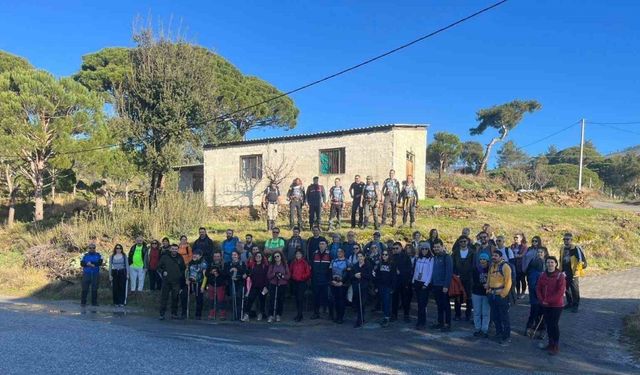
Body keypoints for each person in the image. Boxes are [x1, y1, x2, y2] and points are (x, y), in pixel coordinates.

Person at [537, 256, 566, 355]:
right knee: (548, 325)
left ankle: (556, 346)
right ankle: (550, 343)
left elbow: (560, 292)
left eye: (552, 262)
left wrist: (548, 301)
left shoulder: (560, 276)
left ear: (556, 264)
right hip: (545, 304)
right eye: (548, 262)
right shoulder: (543, 275)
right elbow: (538, 288)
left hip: (556, 305)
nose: (550, 264)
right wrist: (542, 300)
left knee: (554, 325)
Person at [487, 250, 513, 346]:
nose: (494, 257)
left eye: (496, 255)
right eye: (493, 255)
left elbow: (508, 282)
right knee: (495, 316)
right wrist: (488, 289)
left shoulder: (505, 267)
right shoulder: (492, 266)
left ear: (501, 257)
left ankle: (506, 337)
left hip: (501, 296)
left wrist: (503, 294)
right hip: (492, 295)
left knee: (504, 317)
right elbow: (489, 278)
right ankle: (499, 333)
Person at [558, 233, 586, 313]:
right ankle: (569, 303)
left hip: (573, 271)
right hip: (564, 270)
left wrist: (577, 271)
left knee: (574, 289)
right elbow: (560, 259)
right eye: (564, 239)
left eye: (567, 239)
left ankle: (575, 305)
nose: (565, 241)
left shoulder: (575, 248)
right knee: (566, 288)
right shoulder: (562, 248)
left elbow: (581, 260)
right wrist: (560, 270)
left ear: (571, 240)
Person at [158, 244, 186, 320]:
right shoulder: (165, 257)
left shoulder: (180, 257)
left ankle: (174, 313)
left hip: (176, 281)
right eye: (173, 249)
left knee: (175, 298)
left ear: (178, 249)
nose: (174, 250)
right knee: (164, 298)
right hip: (166, 281)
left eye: (176, 249)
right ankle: (162, 314)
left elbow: (183, 268)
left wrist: (180, 275)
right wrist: (163, 271)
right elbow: (159, 267)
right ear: (170, 249)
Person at [430, 242, 453, 332]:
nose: (436, 248)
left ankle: (447, 324)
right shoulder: (435, 257)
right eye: (435, 247)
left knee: (446, 305)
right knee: (439, 305)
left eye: (438, 247)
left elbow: (449, 272)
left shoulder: (447, 257)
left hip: (443, 286)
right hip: (436, 285)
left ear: (442, 247)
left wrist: (446, 285)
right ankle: (440, 322)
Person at [525, 247, 547, 338]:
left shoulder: (547, 262)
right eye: (538, 252)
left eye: (541, 252)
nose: (539, 253)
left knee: (542, 313)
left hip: (544, 293)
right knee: (534, 312)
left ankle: (541, 330)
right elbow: (531, 279)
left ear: (545, 253)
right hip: (535, 293)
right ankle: (530, 328)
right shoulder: (534, 263)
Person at [452, 236, 474, 321]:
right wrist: (454, 274)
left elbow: (474, 265)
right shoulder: (455, 252)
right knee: (457, 296)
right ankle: (457, 315)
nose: (463, 243)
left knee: (469, 297)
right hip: (458, 278)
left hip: (469, 278)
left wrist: (472, 276)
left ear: (468, 242)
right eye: (461, 241)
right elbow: (453, 264)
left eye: (464, 241)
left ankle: (468, 315)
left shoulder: (472, 252)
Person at [413, 244, 434, 330]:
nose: (424, 250)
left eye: (426, 249)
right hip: (417, 282)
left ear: (428, 249)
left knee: (422, 303)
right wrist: (413, 281)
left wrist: (426, 283)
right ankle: (419, 320)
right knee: (419, 303)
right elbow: (415, 270)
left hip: (425, 283)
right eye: (422, 249)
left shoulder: (431, 259)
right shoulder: (418, 258)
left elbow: (430, 272)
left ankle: (422, 322)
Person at [243, 252, 269, 322]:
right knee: (250, 300)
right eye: (256, 256)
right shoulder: (252, 266)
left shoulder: (265, 266)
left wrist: (266, 286)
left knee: (262, 301)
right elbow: (249, 274)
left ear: (262, 257)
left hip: (263, 287)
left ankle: (261, 314)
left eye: (259, 256)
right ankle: (246, 314)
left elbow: (267, 277)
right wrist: (246, 275)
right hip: (254, 286)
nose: (258, 257)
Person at [374, 249, 397, 327]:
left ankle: (386, 318)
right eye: (383, 254)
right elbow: (377, 276)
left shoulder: (392, 264)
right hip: (380, 286)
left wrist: (392, 288)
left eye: (386, 254)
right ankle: (386, 315)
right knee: (383, 302)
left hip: (388, 287)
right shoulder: (379, 264)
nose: (384, 256)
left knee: (387, 302)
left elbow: (394, 277)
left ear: (389, 255)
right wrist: (376, 286)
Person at [391, 242, 413, 323]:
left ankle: (406, 315)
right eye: (394, 248)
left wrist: (401, 272)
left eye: (397, 248)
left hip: (404, 282)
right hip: (394, 282)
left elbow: (410, 269)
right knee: (394, 299)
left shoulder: (406, 257)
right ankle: (394, 315)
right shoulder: (392, 257)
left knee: (405, 300)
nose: (395, 250)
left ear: (401, 248)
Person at [310, 240, 332, 320]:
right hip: (316, 279)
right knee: (316, 297)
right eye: (320, 243)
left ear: (326, 245)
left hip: (325, 280)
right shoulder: (314, 254)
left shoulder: (330, 254)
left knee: (326, 297)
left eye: (323, 244)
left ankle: (327, 313)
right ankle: (316, 313)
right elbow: (311, 266)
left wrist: (329, 278)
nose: (321, 245)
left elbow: (331, 268)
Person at [267, 250, 290, 323]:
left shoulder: (284, 264)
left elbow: (288, 276)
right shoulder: (272, 265)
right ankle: (271, 315)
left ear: (281, 256)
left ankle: (278, 315)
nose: (276, 258)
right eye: (275, 257)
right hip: (273, 284)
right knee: (272, 300)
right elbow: (268, 276)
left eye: (278, 256)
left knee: (280, 300)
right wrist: (274, 274)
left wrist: (282, 276)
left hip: (282, 284)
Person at [289, 249, 312, 322]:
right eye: (297, 254)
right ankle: (299, 314)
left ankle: (299, 315)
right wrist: (292, 277)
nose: (298, 255)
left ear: (302, 255)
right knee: (296, 299)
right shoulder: (293, 262)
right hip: (295, 282)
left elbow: (308, 273)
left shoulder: (305, 262)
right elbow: (290, 270)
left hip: (302, 282)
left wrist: (302, 277)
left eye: (299, 254)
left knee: (300, 299)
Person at [471, 253, 491, 338]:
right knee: (477, 312)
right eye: (481, 259)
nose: (482, 261)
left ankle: (484, 330)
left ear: (487, 260)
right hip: (476, 292)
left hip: (486, 293)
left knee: (486, 312)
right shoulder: (475, 269)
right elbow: (473, 281)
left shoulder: (490, 269)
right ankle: (477, 328)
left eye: (484, 259)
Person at [350, 252, 372, 328]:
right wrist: (355, 275)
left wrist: (362, 275)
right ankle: (361, 318)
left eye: (361, 256)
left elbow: (369, 276)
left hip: (364, 287)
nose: (360, 258)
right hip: (356, 286)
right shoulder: (355, 266)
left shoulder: (368, 265)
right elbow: (351, 276)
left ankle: (359, 320)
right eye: (358, 256)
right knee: (357, 304)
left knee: (362, 303)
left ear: (364, 257)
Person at [205, 252, 228, 320]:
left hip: (220, 285)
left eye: (218, 256)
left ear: (220, 257)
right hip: (212, 284)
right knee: (212, 300)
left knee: (221, 300)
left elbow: (226, 275)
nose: (216, 258)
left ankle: (222, 314)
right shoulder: (210, 264)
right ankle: (212, 313)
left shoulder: (224, 265)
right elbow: (206, 274)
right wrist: (211, 273)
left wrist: (218, 273)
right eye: (215, 256)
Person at [186, 249, 208, 320]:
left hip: (199, 283)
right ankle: (185, 313)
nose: (195, 255)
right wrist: (187, 279)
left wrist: (203, 286)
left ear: (200, 256)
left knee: (199, 299)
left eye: (197, 254)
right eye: (194, 254)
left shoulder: (203, 263)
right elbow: (187, 271)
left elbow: (205, 276)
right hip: (191, 282)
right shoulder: (191, 262)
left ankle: (198, 315)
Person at [80, 243, 103, 308]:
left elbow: (100, 262)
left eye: (93, 248)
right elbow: (81, 263)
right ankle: (83, 302)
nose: (92, 249)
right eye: (90, 248)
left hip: (95, 273)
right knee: (85, 288)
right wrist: (88, 264)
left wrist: (92, 263)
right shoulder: (84, 255)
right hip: (86, 273)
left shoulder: (99, 255)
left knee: (95, 288)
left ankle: (94, 302)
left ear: (95, 248)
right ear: (88, 248)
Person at [329, 248, 349, 324]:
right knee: (335, 301)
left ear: (344, 253)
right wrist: (332, 280)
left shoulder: (347, 261)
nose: (339, 253)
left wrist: (342, 282)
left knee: (341, 301)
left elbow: (348, 273)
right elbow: (329, 271)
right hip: (333, 283)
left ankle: (341, 317)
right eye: (338, 252)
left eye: (341, 251)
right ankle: (336, 316)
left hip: (342, 284)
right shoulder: (333, 261)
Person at [227, 250, 247, 321]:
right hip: (232, 283)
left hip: (240, 283)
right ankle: (234, 315)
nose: (234, 256)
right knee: (233, 298)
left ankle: (239, 315)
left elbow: (244, 274)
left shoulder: (242, 263)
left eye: (235, 255)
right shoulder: (229, 264)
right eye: (232, 255)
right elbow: (226, 273)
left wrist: (238, 276)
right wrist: (230, 272)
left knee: (239, 298)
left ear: (238, 255)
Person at [178, 235, 193, 317]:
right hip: (178, 267)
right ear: (180, 240)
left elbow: (190, 257)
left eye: (185, 239)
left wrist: (188, 264)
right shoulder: (178, 247)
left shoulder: (188, 248)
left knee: (185, 282)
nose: (184, 240)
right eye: (182, 239)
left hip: (186, 267)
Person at [511, 233, 528, 299]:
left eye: (517, 237)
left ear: (521, 239)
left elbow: (522, 255)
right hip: (514, 265)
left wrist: (516, 256)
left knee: (522, 279)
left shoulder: (524, 246)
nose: (515, 239)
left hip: (521, 265)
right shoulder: (512, 246)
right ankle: (518, 292)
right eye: (514, 237)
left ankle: (523, 292)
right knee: (516, 279)